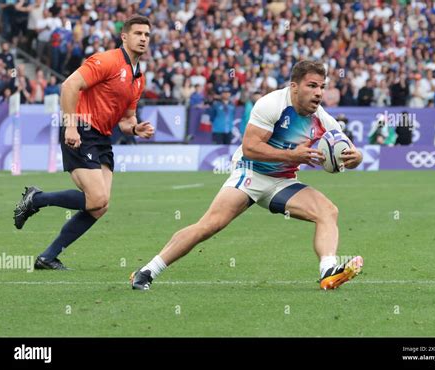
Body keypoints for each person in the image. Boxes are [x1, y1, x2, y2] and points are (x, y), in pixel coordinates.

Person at [131, 61, 364, 291]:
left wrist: (356, 158)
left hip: (282, 182)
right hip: (250, 172)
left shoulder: (323, 120)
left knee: (328, 211)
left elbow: (347, 150)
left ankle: (328, 271)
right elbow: (251, 147)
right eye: (312, 86)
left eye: (322, 87)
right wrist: (292, 155)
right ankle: (148, 270)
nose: (318, 93)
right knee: (210, 225)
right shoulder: (272, 104)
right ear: (294, 87)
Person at [13, 15, 154, 270]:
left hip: (102, 138)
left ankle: (47, 257)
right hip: (82, 128)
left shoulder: (138, 78)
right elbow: (69, 85)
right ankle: (35, 199)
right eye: (138, 33)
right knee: (96, 198)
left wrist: (135, 128)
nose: (143, 38)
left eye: (147, 35)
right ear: (124, 36)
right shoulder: (107, 60)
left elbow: (126, 119)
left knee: (100, 206)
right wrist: (70, 125)